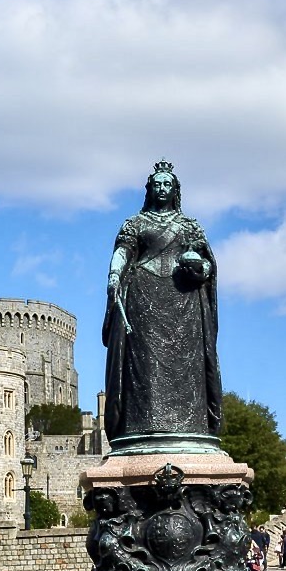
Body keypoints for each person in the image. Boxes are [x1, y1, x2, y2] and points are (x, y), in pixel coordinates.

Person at [103, 160, 221, 450]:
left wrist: (201, 269)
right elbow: (123, 251)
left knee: (188, 366)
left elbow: (207, 262)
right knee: (143, 364)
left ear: (175, 189)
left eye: (167, 184)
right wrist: (114, 274)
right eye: (157, 184)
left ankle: (190, 427)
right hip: (144, 297)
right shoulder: (136, 224)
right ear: (149, 189)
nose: (162, 188)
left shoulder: (189, 226)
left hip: (183, 301)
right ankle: (142, 425)